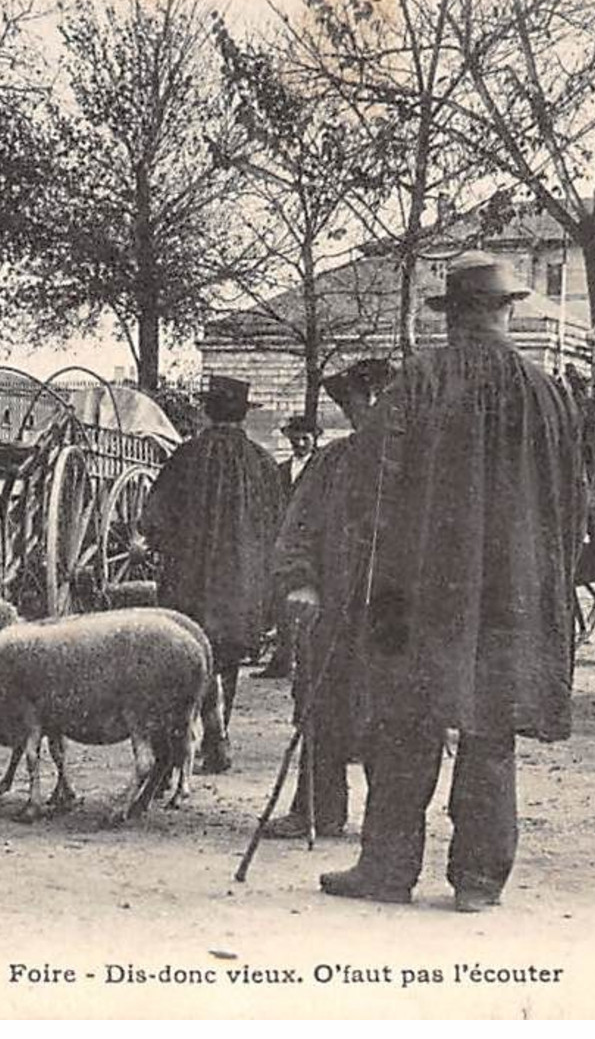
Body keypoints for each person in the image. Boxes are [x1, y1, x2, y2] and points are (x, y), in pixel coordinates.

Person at [319, 251, 586, 910]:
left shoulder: (420, 381)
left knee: (408, 724)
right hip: (514, 593)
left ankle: (386, 871)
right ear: (504, 310)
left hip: (422, 591)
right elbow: (571, 502)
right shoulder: (545, 392)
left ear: (453, 314)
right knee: (490, 728)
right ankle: (476, 881)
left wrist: (358, 572)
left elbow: (369, 484)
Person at [262, 358, 394, 840]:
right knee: (320, 707)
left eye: (381, 402)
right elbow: (296, 531)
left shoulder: (424, 465)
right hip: (333, 609)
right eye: (359, 405)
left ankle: (390, 824)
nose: (370, 414)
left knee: (392, 717)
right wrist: (300, 582)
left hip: (395, 621)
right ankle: (316, 809)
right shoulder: (332, 462)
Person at [141, 374, 285, 773]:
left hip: (188, 583)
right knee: (226, 660)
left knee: (186, 661)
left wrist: (161, 542)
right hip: (241, 585)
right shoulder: (265, 464)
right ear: (242, 414)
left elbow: (153, 520)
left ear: (208, 410)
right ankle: (218, 738)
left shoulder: (186, 457)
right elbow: (281, 527)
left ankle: (184, 747)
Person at [260, 414, 323, 677]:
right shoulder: (281, 470)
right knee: (280, 600)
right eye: (294, 439)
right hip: (282, 542)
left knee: (307, 603)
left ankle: (306, 662)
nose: (299, 443)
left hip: (309, 543)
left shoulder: (321, 469)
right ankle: (282, 659)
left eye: (304, 438)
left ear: (314, 439)